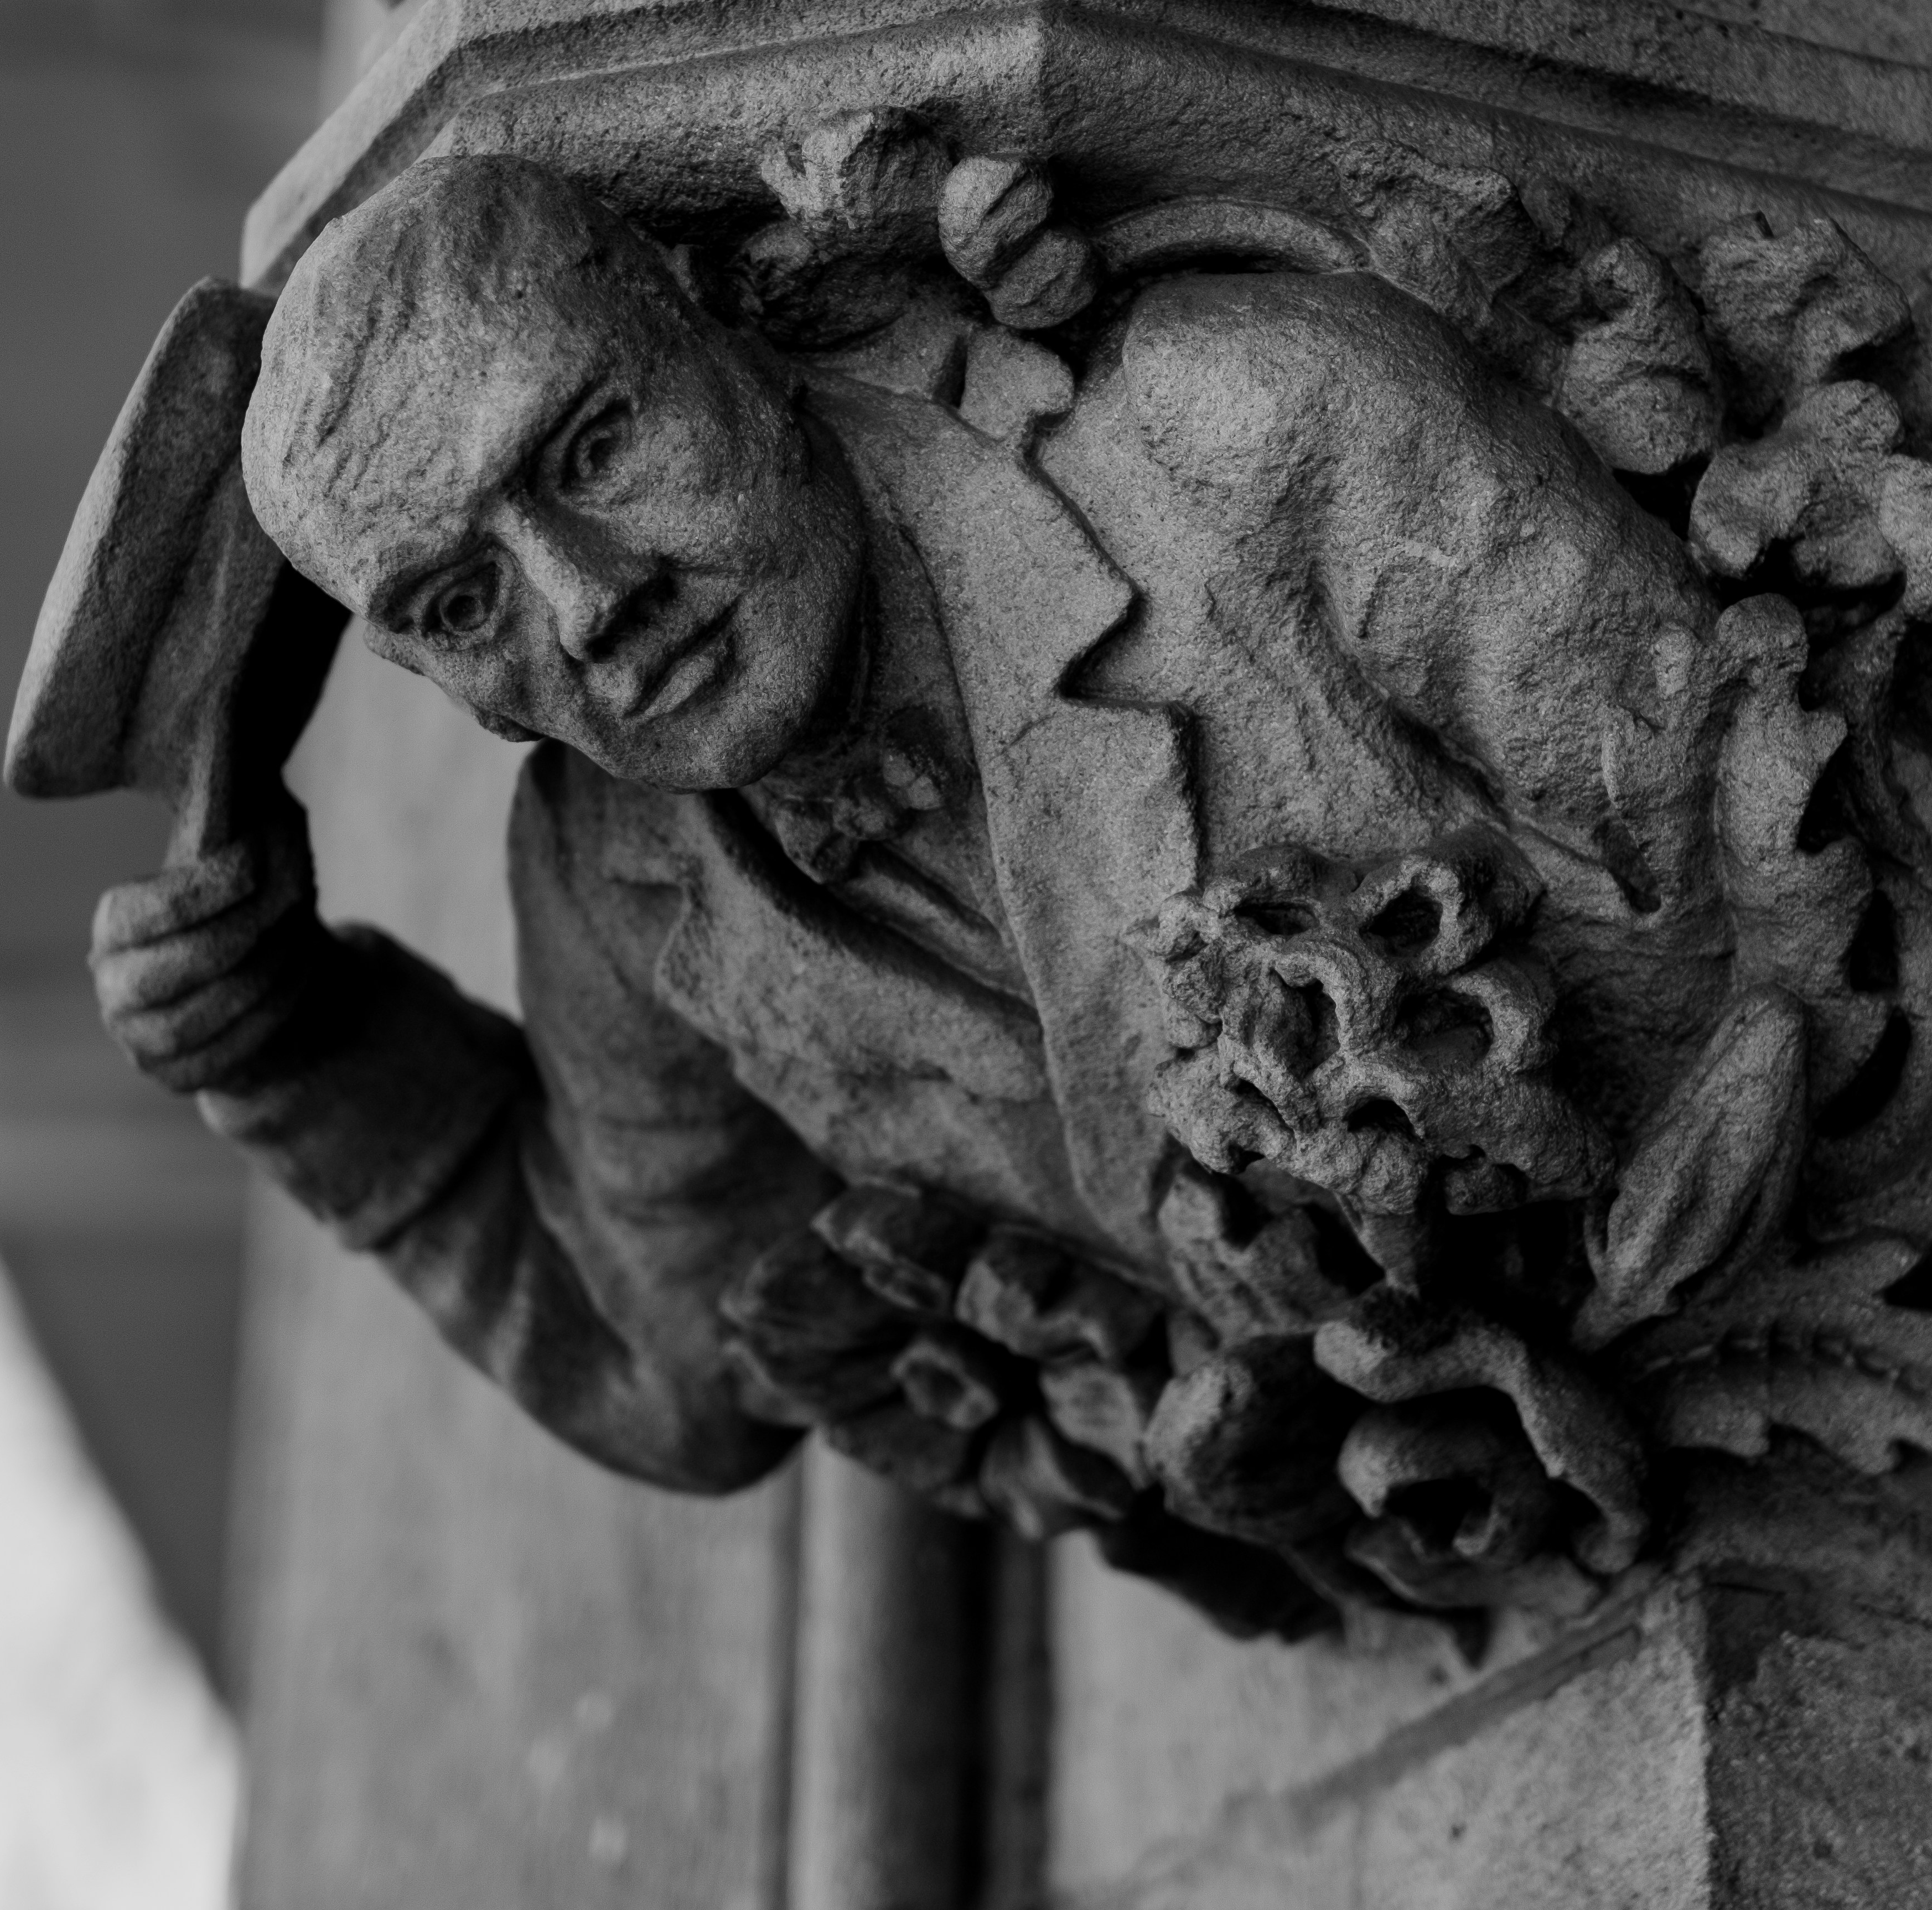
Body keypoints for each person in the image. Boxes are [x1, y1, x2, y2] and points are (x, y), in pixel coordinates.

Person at [87, 154, 1729, 1495]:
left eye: (595, 445)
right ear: (452, 689)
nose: (589, 606)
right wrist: (314, 1069)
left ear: (709, 312)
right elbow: (695, 1378)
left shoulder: (1250, 434)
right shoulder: (619, 879)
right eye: (462, 603)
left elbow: (1740, 872)